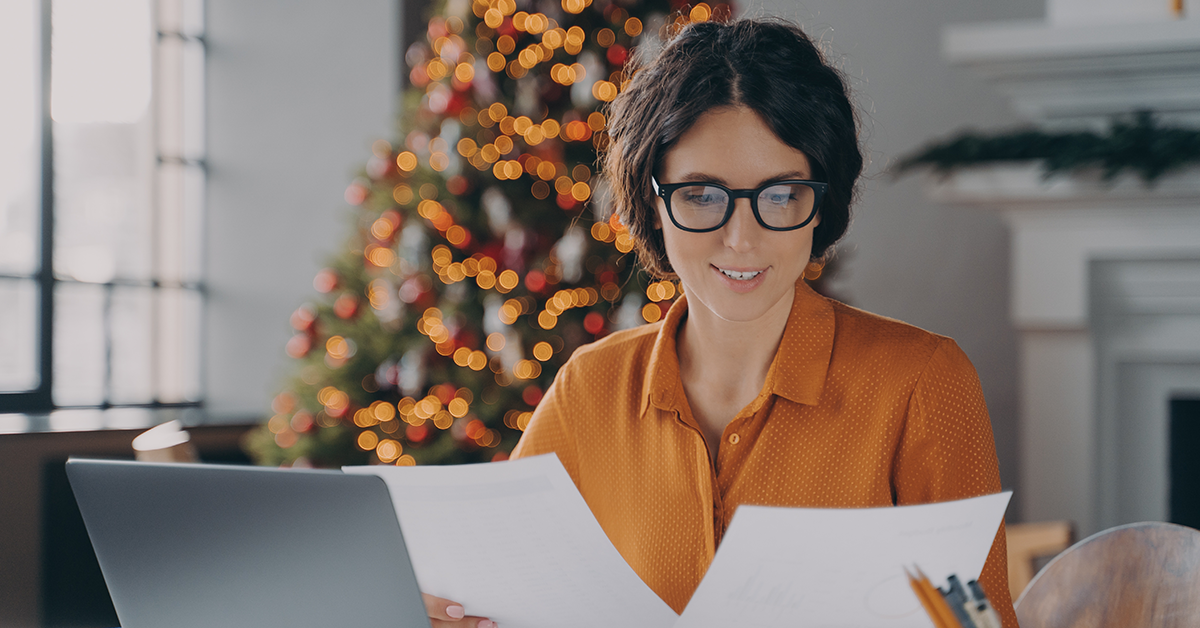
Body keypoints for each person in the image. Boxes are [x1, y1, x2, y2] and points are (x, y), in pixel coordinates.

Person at [423, 16, 1017, 628]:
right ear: (654, 204)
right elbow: (500, 598)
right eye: (702, 195)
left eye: (781, 194)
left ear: (822, 203)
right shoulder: (589, 390)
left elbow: (979, 621)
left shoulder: (921, 383)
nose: (741, 238)